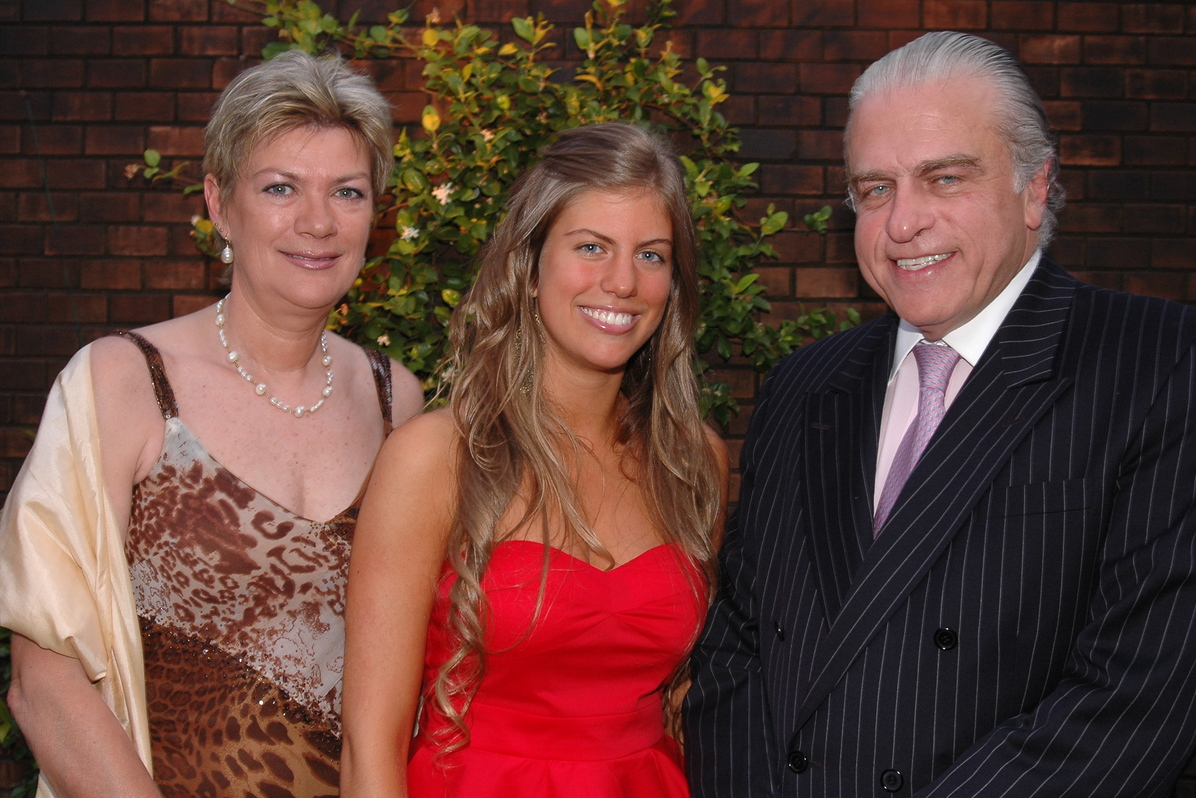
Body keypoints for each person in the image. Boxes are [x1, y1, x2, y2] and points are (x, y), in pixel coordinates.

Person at [684, 30, 1196, 798]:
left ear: (1035, 187)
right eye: (874, 189)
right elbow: (737, 647)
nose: (903, 223)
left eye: (945, 178)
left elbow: (1136, 696)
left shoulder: (1162, 364)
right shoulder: (802, 386)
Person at [0, 50, 424, 798]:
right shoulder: (123, 382)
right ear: (220, 203)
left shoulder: (399, 402)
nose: (318, 221)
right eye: (280, 188)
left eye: (348, 192)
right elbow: (44, 682)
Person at [339, 121, 730, 797]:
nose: (622, 282)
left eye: (651, 255)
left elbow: (688, 702)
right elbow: (369, 745)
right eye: (591, 247)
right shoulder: (436, 457)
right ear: (529, 266)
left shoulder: (694, 460)